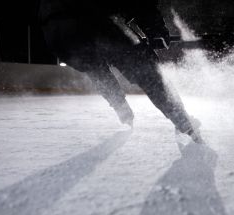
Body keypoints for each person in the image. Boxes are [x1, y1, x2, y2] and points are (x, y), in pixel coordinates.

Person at [39, 0, 202, 143]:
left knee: (96, 69)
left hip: (54, 34)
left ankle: (121, 108)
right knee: (144, 68)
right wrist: (156, 31)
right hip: (89, 17)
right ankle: (183, 121)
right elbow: (140, 4)